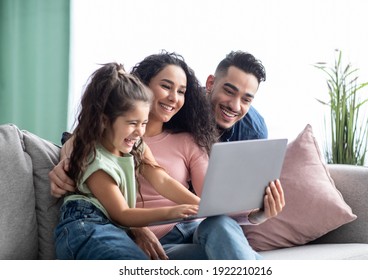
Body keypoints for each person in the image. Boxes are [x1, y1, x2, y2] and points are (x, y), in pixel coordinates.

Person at [50, 51, 285, 260]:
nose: (174, 97)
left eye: (181, 91)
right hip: (145, 240)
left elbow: (206, 200)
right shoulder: (111, 138)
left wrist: (257, 214)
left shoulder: (185, 140)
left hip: (189, 229)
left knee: (221, 225)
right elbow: (82, 143)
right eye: (166, 87)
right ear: (141, 86)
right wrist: (67, 159)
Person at [54, 62, 201, 260]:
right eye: (133, 123)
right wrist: (173, 212)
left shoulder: (136, 146)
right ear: (105, 120)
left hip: (114, 228)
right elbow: (122, 213)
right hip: (85, 227)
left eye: (144, 123)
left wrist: (203, 206)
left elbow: (163, 181)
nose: (140, 132)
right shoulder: (95, 161)